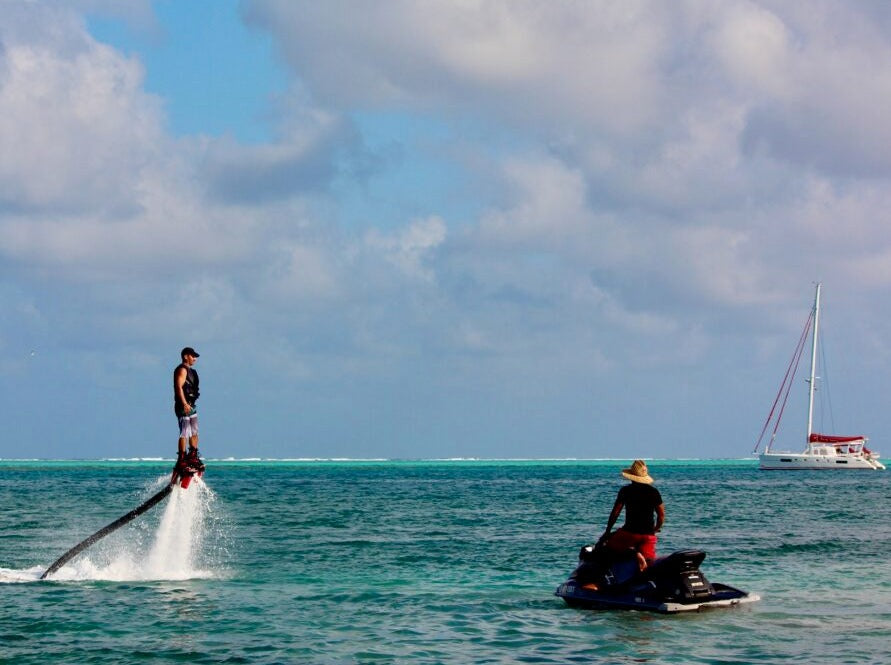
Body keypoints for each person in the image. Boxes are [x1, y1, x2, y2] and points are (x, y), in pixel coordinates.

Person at [598, 459, 665, 569]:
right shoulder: (654, 492)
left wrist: (607, 532)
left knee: (607, 547)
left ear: (632, 477)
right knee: (649, 563)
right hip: (648, 536)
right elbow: (661, 515)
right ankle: (642, 560)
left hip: (629, 533)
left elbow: (615, 512)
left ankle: (634, 554)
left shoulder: (626, 491)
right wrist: (655, 529)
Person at [173, 346, 204, 476]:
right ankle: (181, 459)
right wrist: (184, 403)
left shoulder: (192, 371)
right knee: (185, 432)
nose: (195, 359)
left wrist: (189, 404)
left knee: (195, 432)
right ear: (186, 356)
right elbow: (178, 387)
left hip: (191, 406)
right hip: (183, 406)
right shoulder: (182, 369)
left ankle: (193, 456)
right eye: (193, 356)